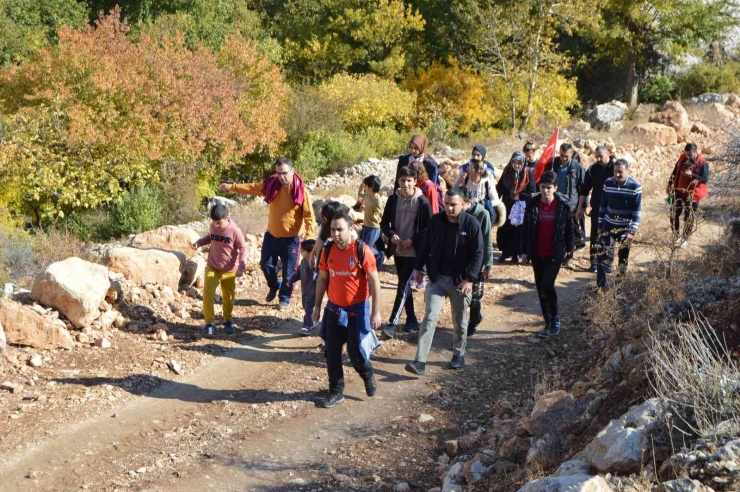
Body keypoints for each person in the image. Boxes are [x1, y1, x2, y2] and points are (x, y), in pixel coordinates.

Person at [405, 187, 484, 375]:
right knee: (430, 317)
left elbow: (478, 253)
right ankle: (420, 361)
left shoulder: (471, 224)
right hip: (437, 278)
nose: (449, 208)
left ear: (464, 204)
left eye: (453, 204)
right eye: (446, 204)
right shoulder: (436, 221)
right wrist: (418, 268)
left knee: (459, 320)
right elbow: (425, 246)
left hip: (460, 281)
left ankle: (458, 355)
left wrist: (470, 280)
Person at [220, 157, 314, 310]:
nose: (282, 177)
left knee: (290, 271)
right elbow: (252, 187)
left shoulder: (301, 191)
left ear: (292, 171)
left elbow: (309, 216)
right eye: (278, 173)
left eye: (284, 173)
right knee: (265, 264)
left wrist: (310, 237)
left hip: (292, 239)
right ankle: (274, 285)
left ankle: (284, 298)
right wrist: (231, 187)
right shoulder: (272, 185)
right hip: (272, 236)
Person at [313, 214, 382, 408]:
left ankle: (367, 374)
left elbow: (374, 281)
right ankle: (336, 390)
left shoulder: (362, 250)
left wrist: (375, 312)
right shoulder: (327, 251)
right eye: (333, 230)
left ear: (350, 228)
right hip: (334, 308)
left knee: (355, 352)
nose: (336, 234)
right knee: (332, 351)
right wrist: (317, 306)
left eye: (340, 229)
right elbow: (322, 279)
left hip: (357, 309)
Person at [380, 166, 433, 339]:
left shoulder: (423, 201)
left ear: (415, 181)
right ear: (398, 181)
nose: (405, 184)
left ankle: (392, 324)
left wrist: (414, 240)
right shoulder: (393, 200)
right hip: (398, 249)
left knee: (403, 284)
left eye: (409, 181)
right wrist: (391, 235)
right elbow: (383, 224)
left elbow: (429, 229)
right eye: (402, 180)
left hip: (414, 252)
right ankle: (411, 320)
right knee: (404, 286)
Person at [521, 171, 575, 338]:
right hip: (537, 252)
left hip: (555, 252)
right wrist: (524, 250)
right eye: (543, 187)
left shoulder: (563, 206)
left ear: (555, 188)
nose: (545, 191)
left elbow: (570, 229)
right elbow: (526, 229)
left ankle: (555, 318)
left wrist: (570, 250)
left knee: (547, 284)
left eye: (549, 188)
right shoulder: (532, 204)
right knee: (540, 287)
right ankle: (548, 321)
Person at [192, 204, 248, 336]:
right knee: (207, 294)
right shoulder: (213, 226)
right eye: (214, 222)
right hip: (212, 267)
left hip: (229, 271)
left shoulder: (235, 230)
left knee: (228, 297)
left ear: (227, 218)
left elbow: (244, 248)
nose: (216, 225)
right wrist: (199, 242)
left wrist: (241, 267)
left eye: (219, 222)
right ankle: (209, 323)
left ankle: (227, 320)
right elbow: (210, 237)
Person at [596, 159, 642, 289]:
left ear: (628, 170)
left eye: (620, 172)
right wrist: (600, 226)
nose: (617, 175)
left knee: (623, 258)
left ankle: (618, 287)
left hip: (625, 228)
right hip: (608, 225)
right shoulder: (608, 183)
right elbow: (603, 206)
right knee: (602, 255)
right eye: (615, 171)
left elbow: (637, 210)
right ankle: (601, 287)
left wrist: (631, 231)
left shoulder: (635, 186)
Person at [545, 143, 585, 265]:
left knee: (571, 230)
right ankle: (557, 253)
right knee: (557, 229)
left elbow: (583, 187)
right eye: (562, 155)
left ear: (571, 154)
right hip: (556, 202)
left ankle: (570, 254)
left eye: (566, 156)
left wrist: (582, 207)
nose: (564, 158)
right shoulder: (553, 164)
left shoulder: (577, 167)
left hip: (571, 204)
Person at [577, 146, 615, 272]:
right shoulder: (593, 169)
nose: (598, 159)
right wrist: (580, 208)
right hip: (597, 207)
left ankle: (607, 262)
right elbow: (584, 190)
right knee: (595, 235)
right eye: (596, 156)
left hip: (612, 208)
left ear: (608, 153)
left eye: (601, 156)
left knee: (609, 235)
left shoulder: (616, 167)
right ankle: (594, 262)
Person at [462, 188, 493, 336]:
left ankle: (474, 320)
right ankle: (461, 325)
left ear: (467, 202)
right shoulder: (455, 215)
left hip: (477, 262)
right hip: (461, 261)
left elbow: (487, 241)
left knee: (475, 297)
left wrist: (488, 264)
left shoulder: (483, 214)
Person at [496, 151, 536, 264]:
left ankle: (516, 254)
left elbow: (532, 191)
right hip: (508, 205)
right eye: (515, 162)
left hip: (520, 208)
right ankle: (505, 252)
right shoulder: (507, 171)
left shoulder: (528, 173)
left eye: (519, 163)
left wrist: (521, 196)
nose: (517, 165)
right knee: (505, 229)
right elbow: (500, 187)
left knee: (518, 231)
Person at [667, 143, 710, 247]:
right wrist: (669, 184)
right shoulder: (682, 158)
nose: (688, 156)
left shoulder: (703, 163)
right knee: (673, 214)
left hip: (692, 195)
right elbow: (675, 171)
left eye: (690, 154)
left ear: (696, 153)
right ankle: (676, 237)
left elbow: (704, 179)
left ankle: (684, 239)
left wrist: (692, 175)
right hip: (678, 191)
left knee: (689, 217)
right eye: (686, 154)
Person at [357, 175, 386, 264]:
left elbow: (381, 213)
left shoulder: (377, 200)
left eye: (366, 186)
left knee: (367, 248)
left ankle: (378, 256)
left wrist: (376, 217)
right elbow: (360, 194)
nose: (365, 187)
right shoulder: (367, 195)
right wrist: (362, 184)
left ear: (371, 187)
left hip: (373, 227)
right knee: (363, 246)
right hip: (366, 225)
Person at [293, 239, 318, 336]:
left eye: (302, 250)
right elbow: (298, 273)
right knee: (305, 306)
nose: (300, 252)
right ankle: (312, 321)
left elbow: (317, 275)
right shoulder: (303, 261)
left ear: (310, 252)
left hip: (312, 290)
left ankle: (306, 326)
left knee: (309, 308)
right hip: (305, 290)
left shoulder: (313, 263)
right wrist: (290, 280)